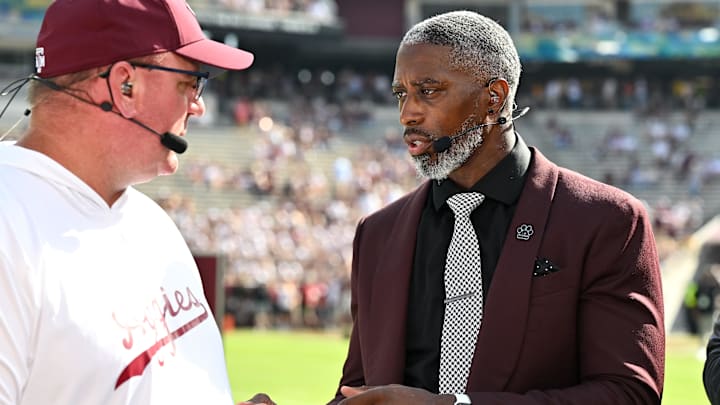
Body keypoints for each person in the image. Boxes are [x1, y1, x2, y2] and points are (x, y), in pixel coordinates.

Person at [328, 10, 664, 405]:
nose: (407, 113)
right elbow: (359, 392)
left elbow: (628, 394)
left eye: (428, 90)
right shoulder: (377, 234)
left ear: (494, 98)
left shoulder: (607, 220)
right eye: (401, 94)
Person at [0, 1, 274, 404]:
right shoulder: (10, 225)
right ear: (124, 85)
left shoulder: (148, 218)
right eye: (191, 81)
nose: (197, 105)